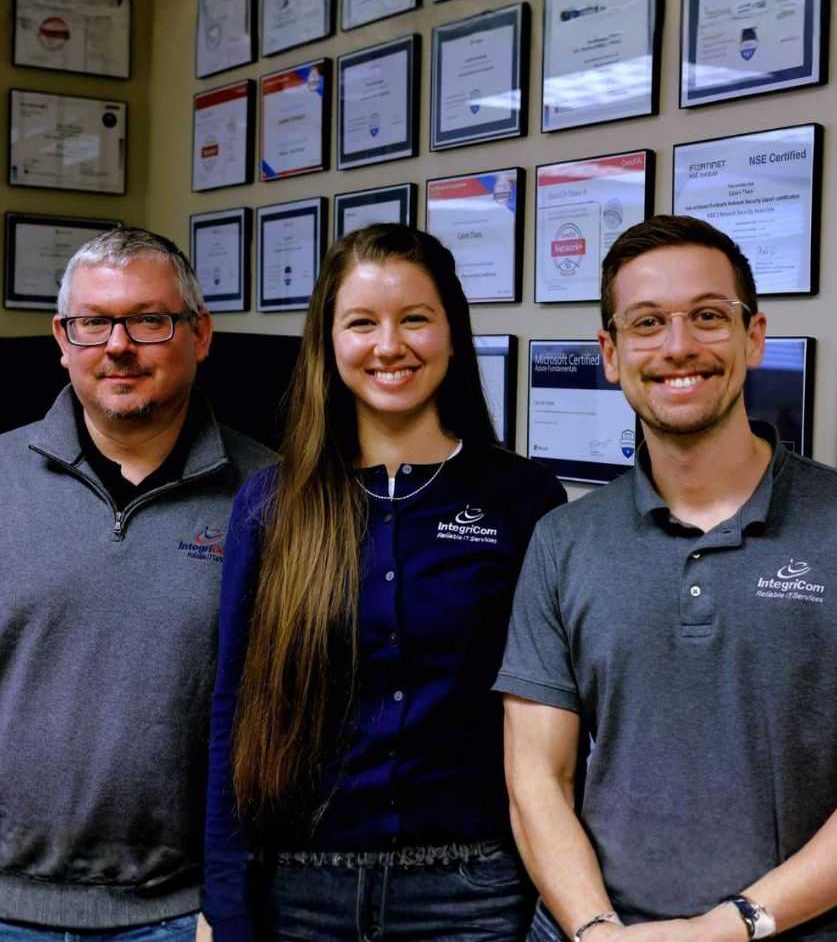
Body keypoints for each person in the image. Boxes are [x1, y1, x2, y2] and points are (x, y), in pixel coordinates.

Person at [202, 224, 567, 942]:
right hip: (300, 888)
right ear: (328, 343)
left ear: (452, 335)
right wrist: (226, 900)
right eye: (362, 322)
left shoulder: (521, 499)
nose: (389, 345)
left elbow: (553, 721)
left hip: (471, 890)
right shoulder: (275, 503)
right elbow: (233, 709)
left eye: (415, 319)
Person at [495, 214, 837, 942]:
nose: (678, 346)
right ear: (610, 353)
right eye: (646, 323)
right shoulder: (563, 542)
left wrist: (727, 927)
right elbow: (536, 778)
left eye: (707, 316)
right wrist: (594, 930)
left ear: (753, 336)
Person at [0, 228, 273, 939]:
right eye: (93, 322)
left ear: (199, 334)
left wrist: (235, 899)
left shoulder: (274, 495)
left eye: (149, 320)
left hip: (185, 914)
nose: (117, 345)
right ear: (63, 339)